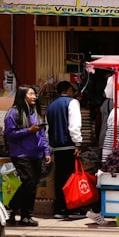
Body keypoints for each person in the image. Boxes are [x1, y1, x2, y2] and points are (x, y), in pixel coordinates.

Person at [3, 85, 52, 227]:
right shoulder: (13, 113)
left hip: (36, 154)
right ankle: (11, 206)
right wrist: (29, 130)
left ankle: (26, 215)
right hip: (20, 154)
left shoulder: (35, 113)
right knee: (28, 182)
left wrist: (46, 151)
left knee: (32, 185)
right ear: (22, 96)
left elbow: (42, 134)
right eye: (31, 94)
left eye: (34, 94)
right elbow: (9, 135)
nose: (34, 96)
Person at [45, 81, 85, 220]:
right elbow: (74, 126)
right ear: (68, 90)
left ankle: (60, 209)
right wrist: (78, 143)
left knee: (60, 178)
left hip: (57, 147)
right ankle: (73, 208)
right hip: (69, 146)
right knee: (71, 178)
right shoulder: (72, 102)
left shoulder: (50, 106)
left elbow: (47, 130)